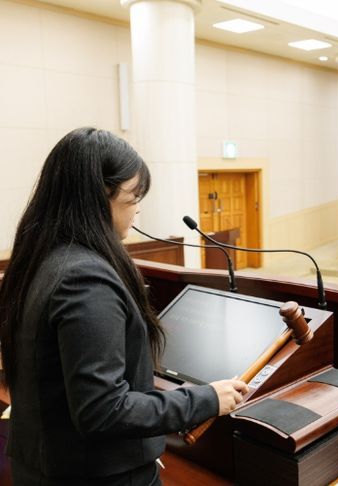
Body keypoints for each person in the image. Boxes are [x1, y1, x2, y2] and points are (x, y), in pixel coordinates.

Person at [0, 128, 249, 485]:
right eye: (133, 197)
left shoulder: (41, 258)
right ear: (98, 197)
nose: (138, 207)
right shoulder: (83, 278)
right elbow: (103, 410)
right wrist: (206, 399)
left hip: (47, 464)